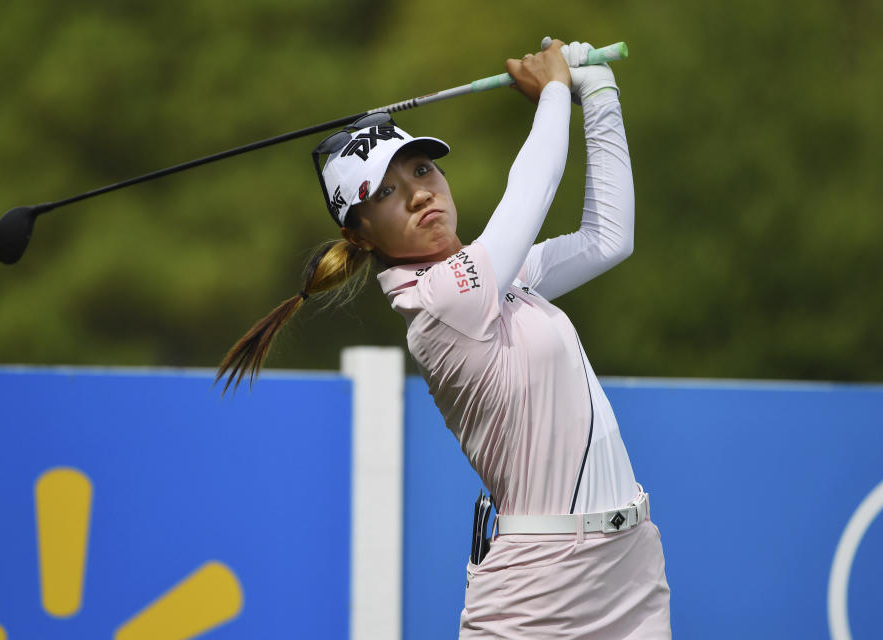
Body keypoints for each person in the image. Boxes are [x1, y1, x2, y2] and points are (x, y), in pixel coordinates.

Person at [217, 38, 671, 638]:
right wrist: (556, 88)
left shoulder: (502, 278)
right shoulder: (440, 300)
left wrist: (599, 91)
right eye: (384, 193)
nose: (419, 193)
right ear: (362, 237)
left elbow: (609, 236)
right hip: (540, 590)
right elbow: (529, 191)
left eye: (421, 169)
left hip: (629, 567)